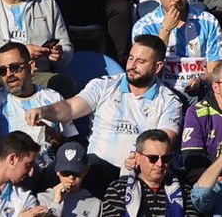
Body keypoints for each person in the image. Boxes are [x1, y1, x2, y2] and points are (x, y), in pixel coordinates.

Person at [25, 36, 183, 191]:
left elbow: (164, 143)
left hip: (137, 175)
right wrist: (43, 111)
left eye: (141, 62)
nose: (132, 66)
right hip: (95, 169)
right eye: (131, 58)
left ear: (157, 67)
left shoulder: (170, 101)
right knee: (56, 171)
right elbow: (70, 108)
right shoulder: (105, 85)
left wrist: (139, 158)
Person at [0, 43, 77, 164]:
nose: (9, 74)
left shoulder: (53, 97)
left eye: (14, 67)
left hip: (48, 171)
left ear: (31, 66)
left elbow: (72, 143)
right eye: (2, 70)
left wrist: (51, 134)